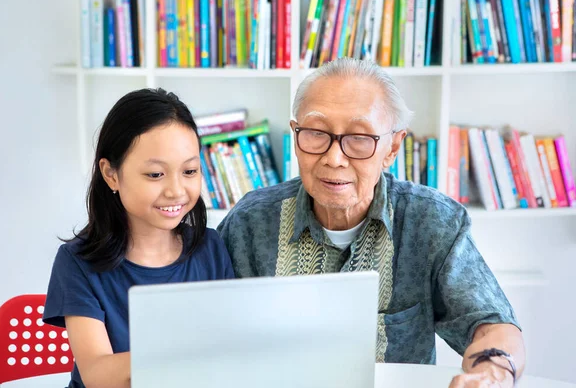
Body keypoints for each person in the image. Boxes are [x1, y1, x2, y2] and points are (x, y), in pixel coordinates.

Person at [217, 58, 525, 388]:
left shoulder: (431, 222)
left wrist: (492, 373)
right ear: (296, 135)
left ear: (392, 147)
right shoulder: (250, 221)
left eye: (360, 138)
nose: (334, 158)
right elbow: (212, 329)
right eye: (316, 133)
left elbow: (492, 324)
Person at [43, 88, 234, 388]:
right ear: (111, 175)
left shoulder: (211, 248)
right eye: (156, 175)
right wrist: (189, 354)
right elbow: (98, 374)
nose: (176, 190)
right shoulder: (77, 261)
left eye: (190, 170)